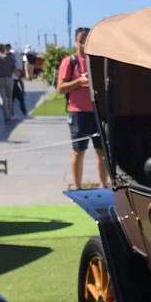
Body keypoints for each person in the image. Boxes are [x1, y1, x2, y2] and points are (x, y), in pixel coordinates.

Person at [57, 27, 107, 190]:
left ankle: (103, 185)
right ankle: (78, 186)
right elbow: (61, 88)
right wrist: (79, 81)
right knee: (78, 151)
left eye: (87, 40)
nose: (84, 44)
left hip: (98, 112)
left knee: (102, 152)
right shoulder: (69, 61)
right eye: (81, 40)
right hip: (78, 113)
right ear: (76, 42)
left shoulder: (97, 61)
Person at [8, 44, 28, 116]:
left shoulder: (13, 62)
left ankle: (12, 113)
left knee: (13, 99)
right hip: (13, 83)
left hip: (14, 82)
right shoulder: (11, 63)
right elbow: (15, 73)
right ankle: (23, 112)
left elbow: (18, 76)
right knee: (19, 98)